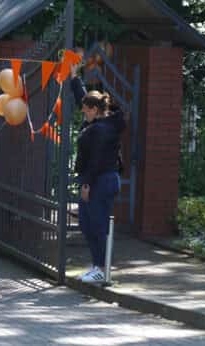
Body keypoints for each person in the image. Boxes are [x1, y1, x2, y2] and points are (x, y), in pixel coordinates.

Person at [70, 67, 126, 285]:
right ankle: (97, 265)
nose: (82, 112)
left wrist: (87, 184)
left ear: (94, 109)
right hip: (97, 179)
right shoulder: (98, 122)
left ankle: (102, 268)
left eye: (85, 110)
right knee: (86, 222)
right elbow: (81, 99)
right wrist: (75, 77)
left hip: (101, 180)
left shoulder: (102, 130)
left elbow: (97, 159)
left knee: (97, 224)